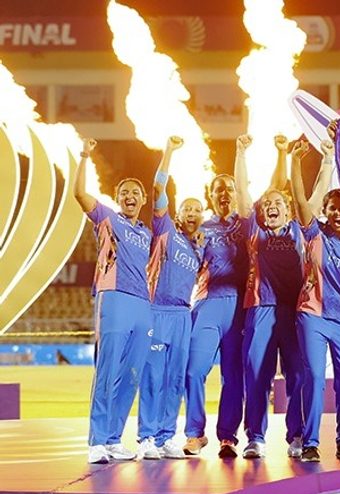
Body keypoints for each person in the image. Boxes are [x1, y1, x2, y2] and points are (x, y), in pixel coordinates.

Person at [74, 138, 154, 464]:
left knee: (132, 374)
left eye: (135, 192)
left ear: (144, 199)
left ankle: (113, 439)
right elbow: (80, 194)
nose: (130, 196)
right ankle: (97, 440)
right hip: (115, 298)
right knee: (107, 370)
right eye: (124, 193)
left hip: (143, 304)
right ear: (118, 199)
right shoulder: (108, 218)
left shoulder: (148, 233)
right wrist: (84, 156)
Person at [290, 139, 340, 463]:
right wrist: (295, 162)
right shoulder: (314, 233)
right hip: (313, 315)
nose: (337, 212)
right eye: (332, 207)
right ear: (324, 210)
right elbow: (299, 200)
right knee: (315, 378)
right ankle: (310, 442)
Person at [237, 134, 307, 460]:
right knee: (257, 376)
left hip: (294, 312)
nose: (271, 207)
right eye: (266, 205)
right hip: (261, 309)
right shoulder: (255, 231)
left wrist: (284, 155)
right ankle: (255, 438)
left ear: (289, 211)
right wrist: (241, 153)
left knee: (298, 376)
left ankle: (297, 436)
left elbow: (283, 187)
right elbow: (243, 193)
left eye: (277, 203)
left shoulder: (299, 230)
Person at [138, 136, 204, 460]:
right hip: (156, 310)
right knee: (152, 377)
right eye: (187, 208)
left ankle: (166, 437)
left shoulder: (199, 247)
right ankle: (146, 437)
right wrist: (169, 152)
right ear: (179, 214)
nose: (192, 212)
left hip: (183, 316)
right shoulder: (166, 231)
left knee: (175, 379)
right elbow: (157, 189)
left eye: (197, 210)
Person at [182, 165, 248, 458]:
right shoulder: (202, 228)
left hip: (239, 308)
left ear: (237, 194)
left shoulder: (246, 225)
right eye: (218, 189)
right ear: (210, 195)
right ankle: (195, 433)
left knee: (233, 376)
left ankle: (228, 437)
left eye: (229, 189)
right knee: (194, 370)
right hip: (207, 304)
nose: (224, 193)